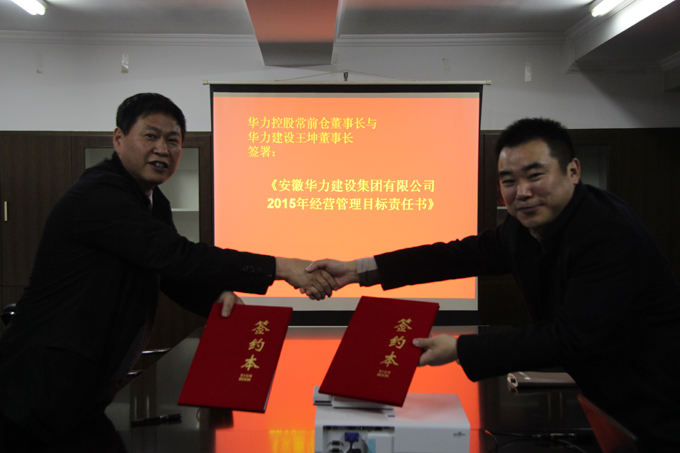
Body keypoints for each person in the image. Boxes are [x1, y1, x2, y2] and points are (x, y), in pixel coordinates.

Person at [307, 118, 680, 452]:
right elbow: (456, 256)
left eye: (535, 176)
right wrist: (356, 271)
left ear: (573, 171)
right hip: (610, 403)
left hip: (660, 403)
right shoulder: (522, 229)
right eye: (509, 181)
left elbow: (569, 338)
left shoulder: (608, 233)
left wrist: (460, 348)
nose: (522, 192)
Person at [0, 93, 336, 451]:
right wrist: (281, 267)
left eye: (173, 140)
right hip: (37, 388)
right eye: (151, 136)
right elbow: (176, 255)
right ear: (118, 139)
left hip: (82, 389)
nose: (162, 149)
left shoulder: (152, 200)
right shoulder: (100, 194)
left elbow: (170, 272)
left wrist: (214, 295)